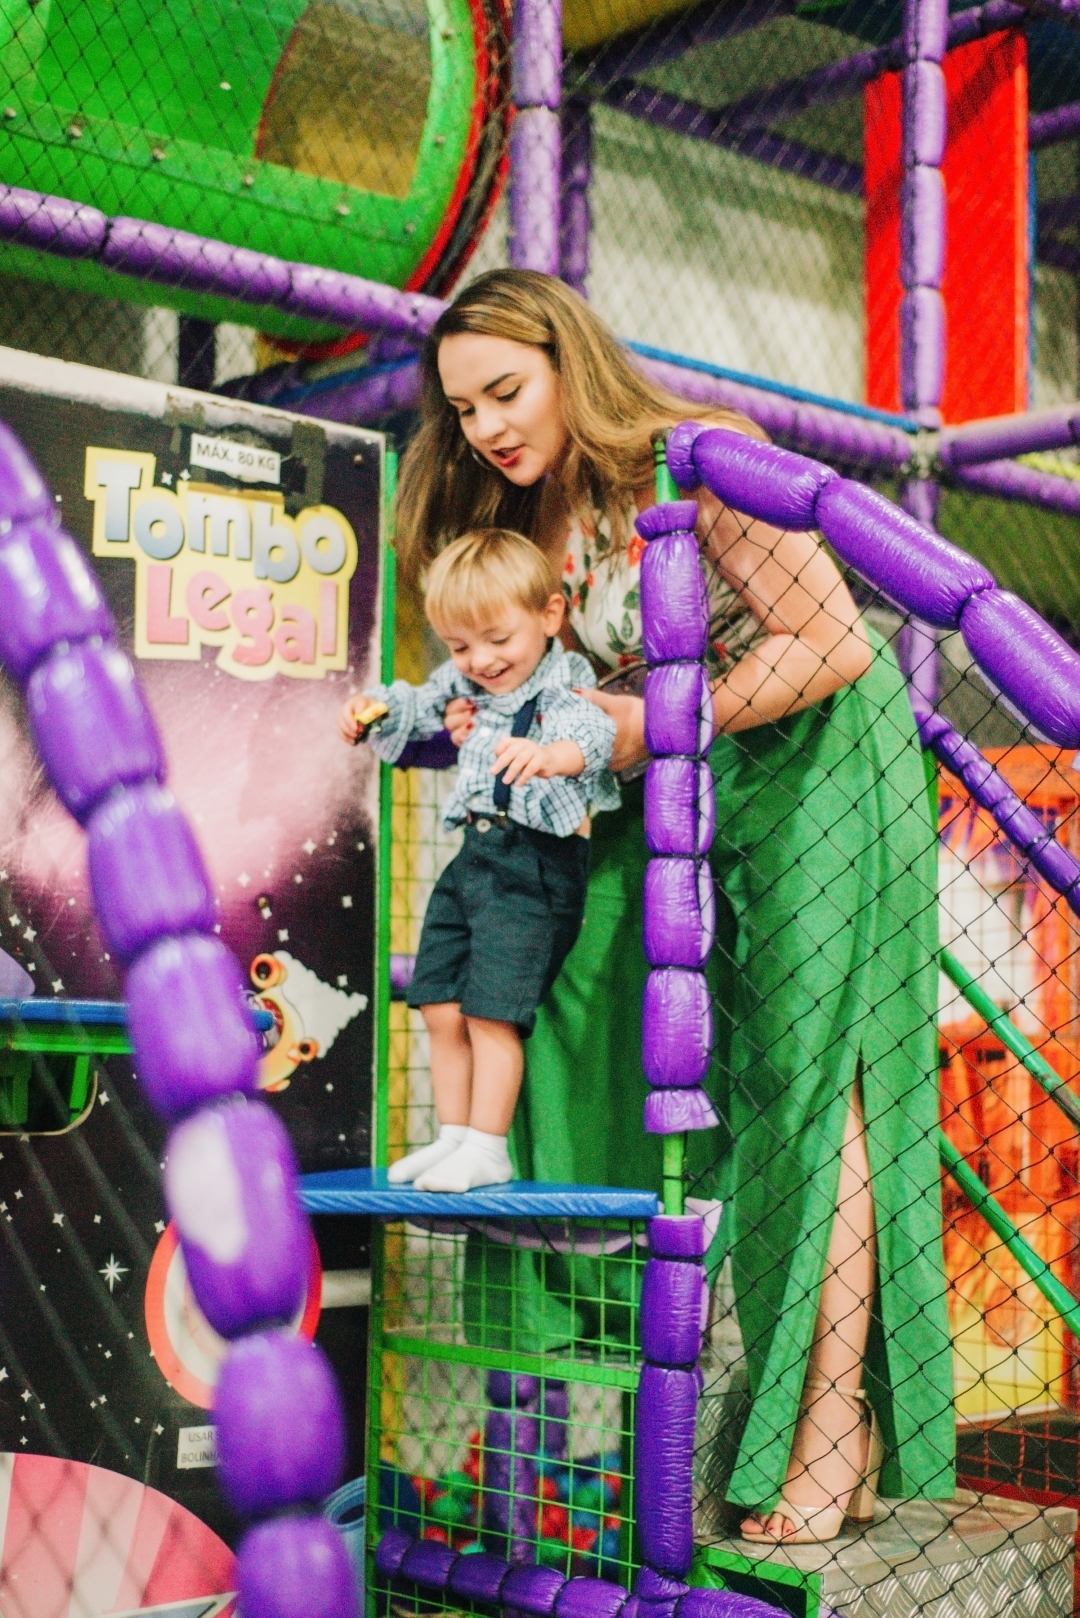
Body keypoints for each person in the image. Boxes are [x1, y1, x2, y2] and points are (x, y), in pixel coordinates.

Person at [391, 267, 956, 1541]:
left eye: (505, 390)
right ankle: (785, 1415)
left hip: (813, 761)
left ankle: (830, 1430)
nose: (484, 426)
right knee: (755, 1090)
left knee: (823, 1082)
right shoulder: (548, 520)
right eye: (461, 408)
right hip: (701, 783)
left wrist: (652, 724)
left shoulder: (693, 459)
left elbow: (834, 645)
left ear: (567, 360)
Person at [340, 527, 617, 1193]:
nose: (480, 660)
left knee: (493, 1011)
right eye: (461, 646)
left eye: (498, 640)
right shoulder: (466, 682)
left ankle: (489, 1146)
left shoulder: (561, 680)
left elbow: (594, 729)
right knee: (439, 1001)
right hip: (474, 855)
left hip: (535, 864)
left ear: (549, 616)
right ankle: (455, 1136)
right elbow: (414, 702)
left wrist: (552, 756)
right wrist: (372, 711)